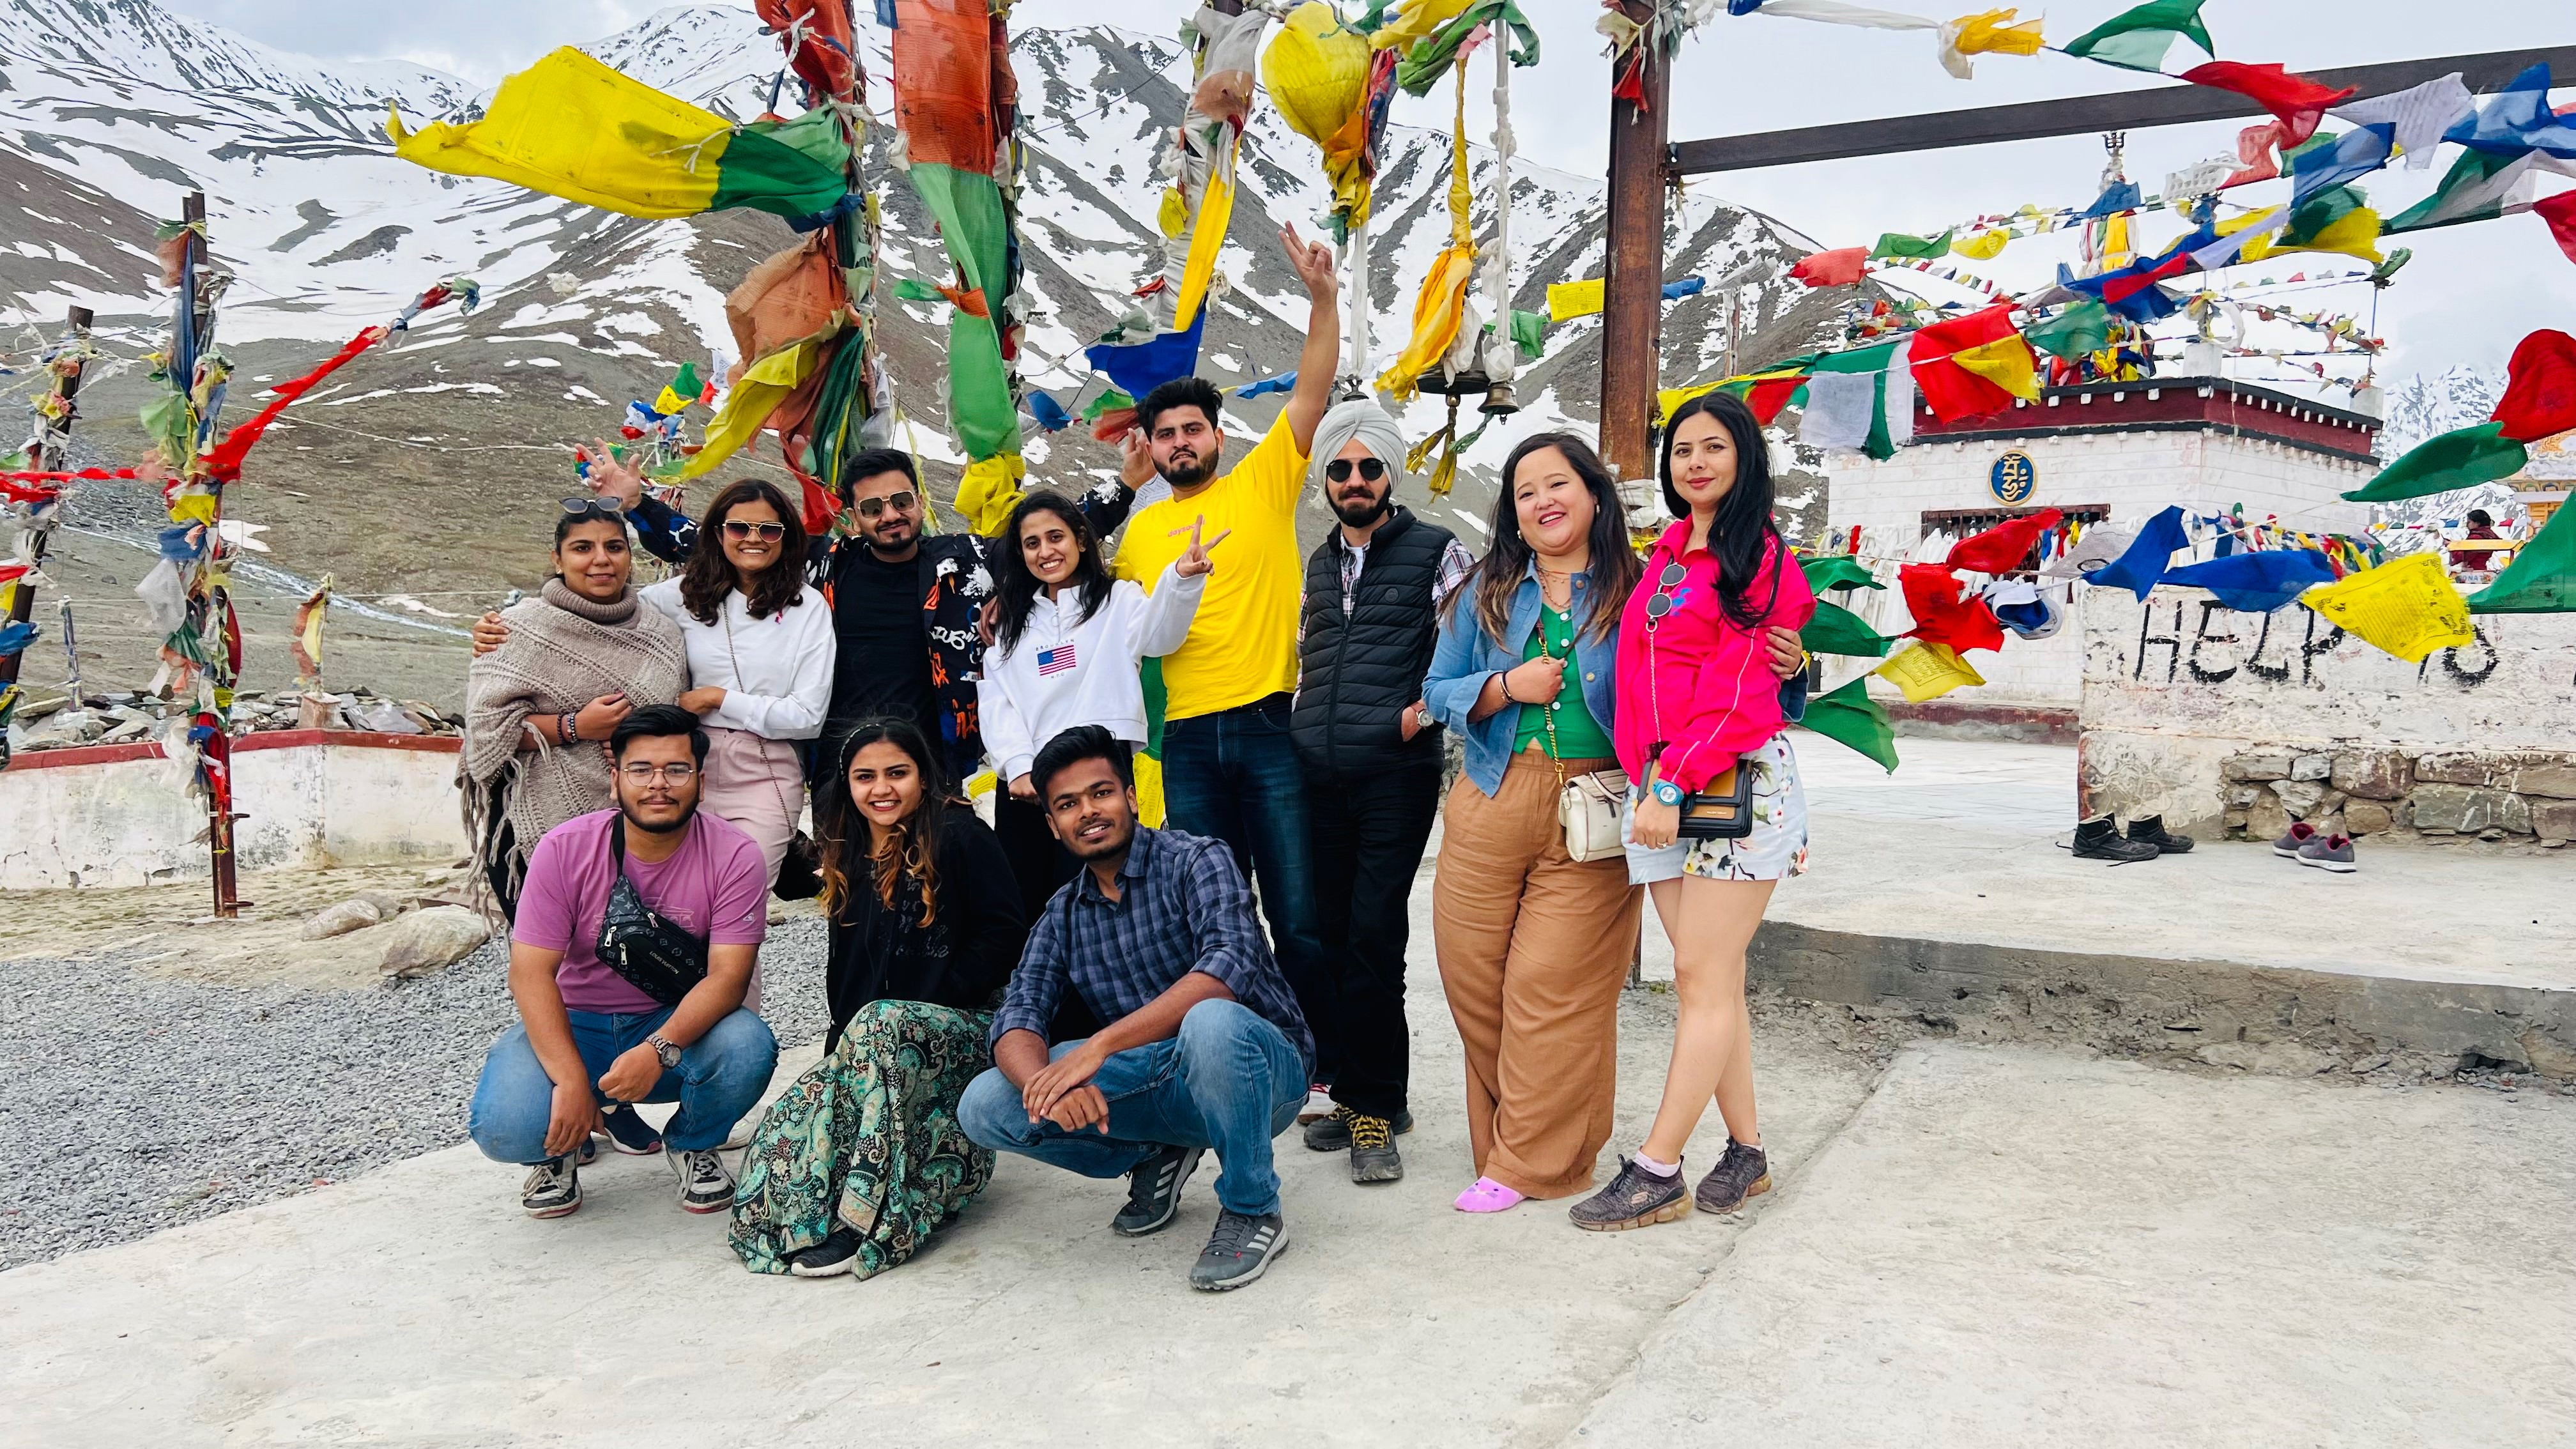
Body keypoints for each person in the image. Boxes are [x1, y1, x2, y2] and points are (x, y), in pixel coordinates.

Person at [482, 442, 1133, 786]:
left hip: (938, 752)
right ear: (852, 516)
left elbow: (1052, 534)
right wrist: (638, 505)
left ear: (918, 501)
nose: (890, 516)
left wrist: (1126, 486)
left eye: (901, 502)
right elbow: (718, 543)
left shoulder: (964, 559)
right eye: (873, 508)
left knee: (941, 884)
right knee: (848, 895)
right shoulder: (823, 564)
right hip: (838, 758)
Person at [1568, 389, 1818, 1232]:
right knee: (1712, 980)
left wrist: (1672, 782)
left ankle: (1658, 1168)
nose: (1696, 462)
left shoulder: (1762, 558)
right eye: (1682, 450)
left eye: (1714, 446)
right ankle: (1747, 1152)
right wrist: (1651, 781)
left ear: (1745, 458)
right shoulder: (1668, 557)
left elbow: (1739, 689)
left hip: (1728, 787)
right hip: (1661, 793)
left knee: (1700, 980)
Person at [1108, 223, 1342, 1114]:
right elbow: (1110, 622)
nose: (1179, 442)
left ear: (1216, 434)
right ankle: (1243, 1057)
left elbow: (1313, 387)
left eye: (1191, 428)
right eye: (1165, 434)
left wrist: (1323, 299)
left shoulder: (1263, 481)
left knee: (1297, 911)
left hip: (1269, 724)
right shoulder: (1141, 531)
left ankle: (1320, 1065)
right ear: (1151, 448)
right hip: (1185, 742)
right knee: (1215, 917)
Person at [957, 726, 1314, 1292]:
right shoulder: (1062, 915)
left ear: (1131, 797)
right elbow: (1017, 1016)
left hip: (1262, 1073)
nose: (1088, 812)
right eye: (1068, 805)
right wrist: (1047, 1088)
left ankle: (1253, 1209)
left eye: (1100, 793)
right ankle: (1158, 1151)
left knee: (1209, 1022)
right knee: (986, 1103)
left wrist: (1099, 1047)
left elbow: (1226, 969)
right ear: (1052, 825)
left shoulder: (1198, 859)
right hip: (1159, 1081)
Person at [1421, 433, 1646, 1216]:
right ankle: (1513, 1139)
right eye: (1525, 492)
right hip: (1492, 795)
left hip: (1596, 805)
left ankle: (1532, 1162)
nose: (1542, 501)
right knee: (1475, 985)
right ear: (1513, 514)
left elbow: (1695, 678)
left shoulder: (1639, 590)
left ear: (1593, 493)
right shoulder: (1486, 589)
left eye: (1558, 484)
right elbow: (1437, 690)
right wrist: (1504, 686)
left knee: (1553, 990)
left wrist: (1785, 668)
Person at [729, 717, 1028, 1280]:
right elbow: (847, 966)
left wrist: (923, 1003)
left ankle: (864, 1221)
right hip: (875, 1039)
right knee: (786, 1136)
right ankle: (826, 1211)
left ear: (924, 777)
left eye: (898, 773)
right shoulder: (848, 848)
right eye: (865, 777)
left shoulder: (961, 835)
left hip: (962, 1029)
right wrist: (841, 1053)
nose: (882, 789)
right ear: (847, 784)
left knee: (883, 1023)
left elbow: (1005, 935)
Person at [466, 705, 780, 1220]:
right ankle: (557, 1153)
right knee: (506, 1126)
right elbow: (529, 973)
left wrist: (659, 1048)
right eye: (641, 770)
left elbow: (729, 979)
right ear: (615, 782)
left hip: (672, 1023)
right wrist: (570, 1081)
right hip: (577, 1025)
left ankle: (693, 1143)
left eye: (676, 770)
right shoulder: (564, 849)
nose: (659, 784)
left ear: (701, 783)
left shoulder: (734, 855)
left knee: (747, 1046)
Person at [1287, 399, 1475, 1186]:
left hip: (1395, 775)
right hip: (1319, 774)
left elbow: (1472, 645)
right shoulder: (1319, 561)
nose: (1354, 479)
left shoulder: (1438, 549)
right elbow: (1310, 654)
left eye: (1369, 467)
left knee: (1372, 937)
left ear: (1390, 473)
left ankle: (1373, 1109)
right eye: (1340, 468)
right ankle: (1367, 1095)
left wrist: (1420, 714)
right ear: (1326, 479)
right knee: (1331, 937)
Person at [980, 489, 1215, 924]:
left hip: (1098, 774)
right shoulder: (1011, 620)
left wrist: (1181, 579)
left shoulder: (1118, 600)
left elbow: (1161, 636)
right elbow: (997, 698)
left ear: (1081, 540)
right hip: (1028, 784)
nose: (1046, 552)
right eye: (1032, 543)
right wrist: (1019, 766)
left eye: (1056, 537)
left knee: (1103, 896)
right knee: (1026, 901)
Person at [462, 500, 688, 917]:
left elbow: (677, 724)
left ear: (629, 556)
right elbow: (486, 733)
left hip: (644, 826)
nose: (601, 559)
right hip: (531, 828)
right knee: (549, 953)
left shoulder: (663, 635)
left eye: (614, 547)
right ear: (558, 559)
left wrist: (639, 742)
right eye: (583, 548)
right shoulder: (517, 628)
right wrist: (575, 726)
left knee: (635, 952)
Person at [638, 477, 834, 889]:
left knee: (741, 895)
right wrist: (509, 626)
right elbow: (603, 613)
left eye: (769, 529)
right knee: (676, 897)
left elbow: (807, 717)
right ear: (718, 533)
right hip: (684, 765)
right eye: (739, 528)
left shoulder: (808, 607)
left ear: (786, 536)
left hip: (767, 769)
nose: (754, 539)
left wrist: (717, 698)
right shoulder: (676, 597)